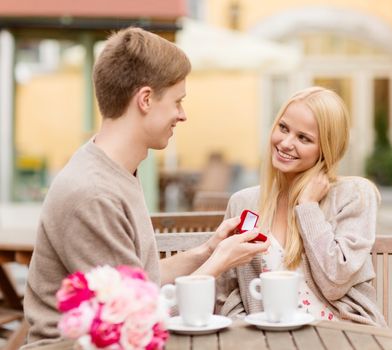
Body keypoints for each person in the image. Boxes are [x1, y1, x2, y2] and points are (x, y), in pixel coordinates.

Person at [23, 27, 269, 347]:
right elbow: (138, 320)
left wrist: (207, 250)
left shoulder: (116, 171)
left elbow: (142, 282)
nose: (182, 115)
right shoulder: (94, 194)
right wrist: (219, 262)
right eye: (178, 101)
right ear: (146, 99)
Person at [216, 87, 386, 327]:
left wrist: (308, 207)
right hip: (270, 337)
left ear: (325, 149)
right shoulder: (244, 203)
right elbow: (229, 291)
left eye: (304, 138)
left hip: (340, 335)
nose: (285, 143)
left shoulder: (355, 195)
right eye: (283, 128)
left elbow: (335, 280)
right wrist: (247, 333)